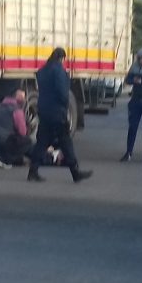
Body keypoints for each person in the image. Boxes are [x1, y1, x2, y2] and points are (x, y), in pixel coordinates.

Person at [27, 47, 93, 183]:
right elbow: (63, 94)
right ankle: (75, 172)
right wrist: (64, 109)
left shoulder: (42, 71)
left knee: (42, 142)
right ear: (62, 58)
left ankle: (32, 171)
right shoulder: (59, 72)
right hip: (57, 112)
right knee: (66, 142)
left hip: (44, 110)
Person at [0, 89, 33, 169]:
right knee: (27, 141)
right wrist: (28, 126)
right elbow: (22, 132)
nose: (24, 98)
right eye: (23, 96)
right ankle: (3, 160)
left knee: (7, 137)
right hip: (0, 140)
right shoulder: (17, 110)